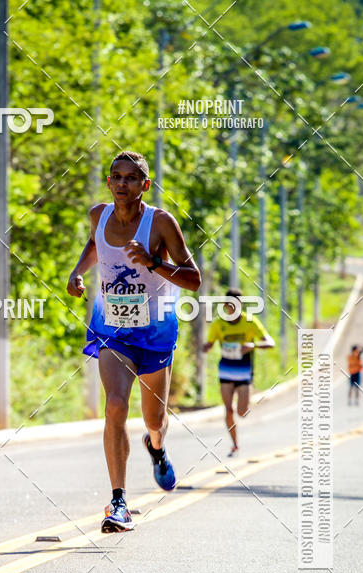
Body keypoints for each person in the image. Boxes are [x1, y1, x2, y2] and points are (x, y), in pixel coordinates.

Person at [67, 150, 201, 533]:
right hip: (112, 327)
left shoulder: (161, 223)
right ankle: (119, 502)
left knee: (154, 419)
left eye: (131, 178)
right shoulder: (98, 215)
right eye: (116, 177)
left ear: (145, 184)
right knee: (114, 405)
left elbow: (194, 279)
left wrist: (153, 262)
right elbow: (95, 245)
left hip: (156, 330)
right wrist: (77, 272)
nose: (122, 184)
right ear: (109, 182)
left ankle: (156, 447)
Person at [203, 289, 274, 456]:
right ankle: (235, 444)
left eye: (236, 305)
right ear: (225, 306)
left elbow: (270, 342)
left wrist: (253, 346)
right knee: (228, 410)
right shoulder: (218, 324)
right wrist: (206, 347)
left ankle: (247, 398)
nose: (233, 308)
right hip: (226, 372)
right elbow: (209, 344)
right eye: (230, 305)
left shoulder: (250, 322)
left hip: (244, 373)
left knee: (242, 413)